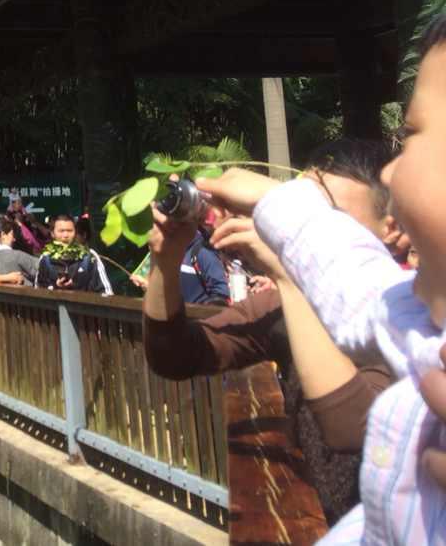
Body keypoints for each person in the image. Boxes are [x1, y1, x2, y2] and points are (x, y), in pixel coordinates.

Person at [144, 139, 398, 525]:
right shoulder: (282, 304)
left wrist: (288, 275)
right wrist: (165, 261)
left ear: (391, 229)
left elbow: (359, 430)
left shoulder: (411, 311)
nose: (304, 231)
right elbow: (175, 356)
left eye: (325, 219)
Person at [0, 215, 40, 285]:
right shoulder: (17, 256)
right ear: (3, 235)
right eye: (12, 234)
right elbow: (42, 268)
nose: (14, 239)